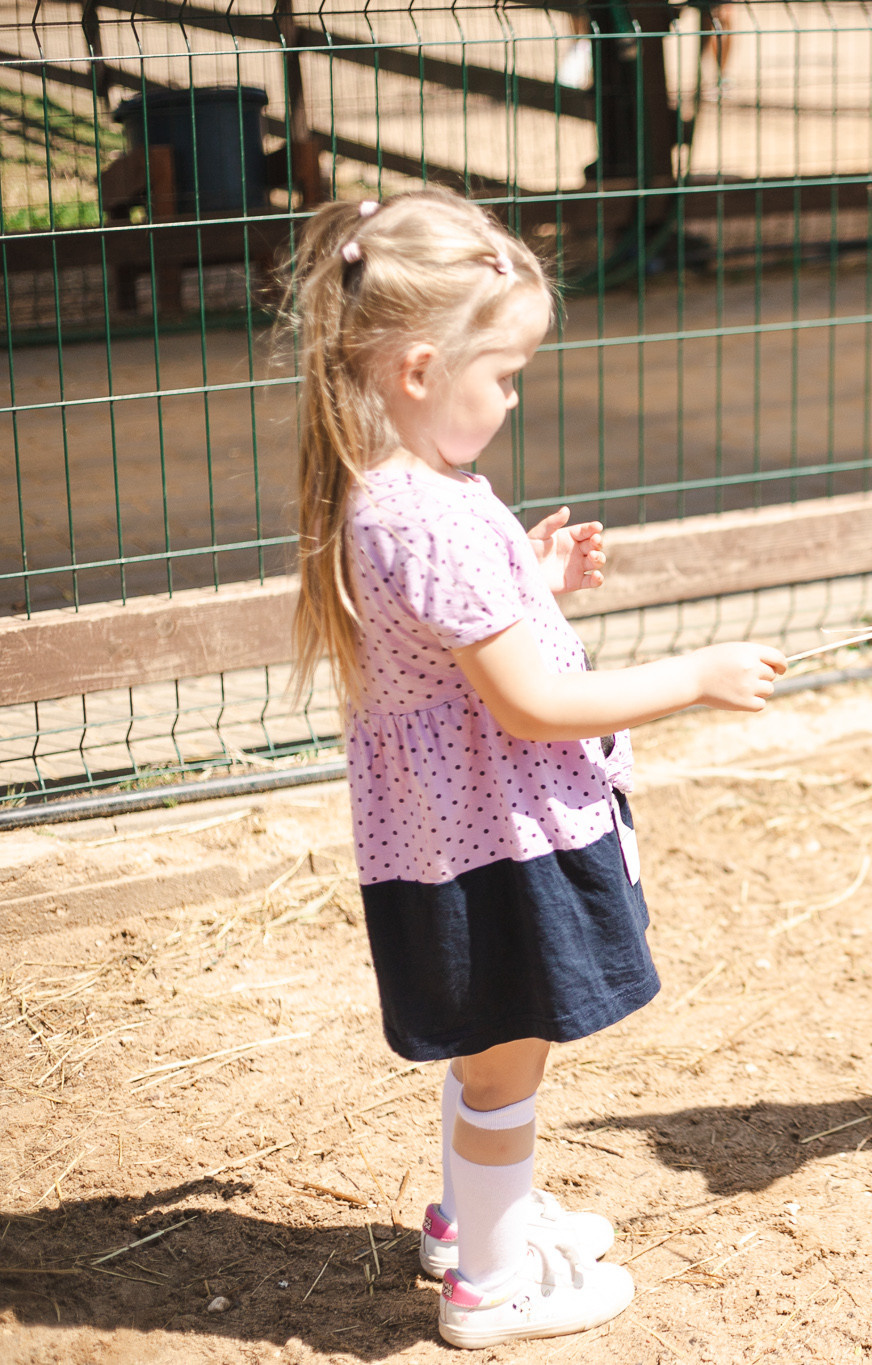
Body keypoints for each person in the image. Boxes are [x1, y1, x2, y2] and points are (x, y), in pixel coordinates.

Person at [283, 188, 787, 1349]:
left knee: (493, 1047)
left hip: (452, 838)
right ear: (418, 369)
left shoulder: (403, 491)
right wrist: (694, 676)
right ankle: (493, 1291)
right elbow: (529, 704)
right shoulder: (435, 515)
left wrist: (534, 583)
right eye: (503, 374)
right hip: (497, 846)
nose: (512, 396)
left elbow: (453, 644)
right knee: (509, 1056)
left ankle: (473, 1226)